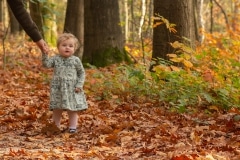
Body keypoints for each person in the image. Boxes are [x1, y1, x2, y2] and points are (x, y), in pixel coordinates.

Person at [42, 33, 88, 133]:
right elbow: (46, 64)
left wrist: (79, 85)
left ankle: (72, 127)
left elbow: (81, 73)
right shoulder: (55, 59)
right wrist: (45, 53)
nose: (67, 48)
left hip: (72, 89)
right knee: (57, 108)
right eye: (64, 45)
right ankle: (56, 126)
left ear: (74, 48)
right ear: (58, 47)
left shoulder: (76, 60)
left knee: (73, 109)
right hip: (58, 88)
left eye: (70, 46)